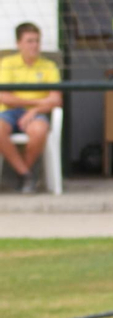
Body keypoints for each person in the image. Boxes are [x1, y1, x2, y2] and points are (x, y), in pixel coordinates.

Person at [0, 23, 62, 194]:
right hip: (9, 112)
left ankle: (23, 175)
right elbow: (3, 96)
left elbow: (56, 99)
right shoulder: (7, 63)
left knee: (40, 130)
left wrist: (33, 111)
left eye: (37, 41)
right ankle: (26, 174)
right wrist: (38, 102)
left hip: (37, 114)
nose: (34, 45)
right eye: (29, 41)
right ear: (18, 43)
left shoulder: (48, 66)